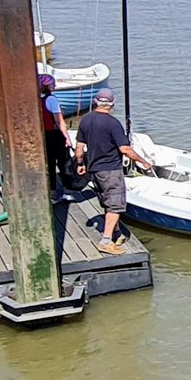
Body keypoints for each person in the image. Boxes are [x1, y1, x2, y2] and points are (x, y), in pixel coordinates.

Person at [74, 88, 153, 255]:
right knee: (115, 205)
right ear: (112, 104)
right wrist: (143, 161)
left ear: (96, 101)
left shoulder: (86, 120)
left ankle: (116, 233)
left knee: (107, 202)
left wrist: (80, 163)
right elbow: (125, 149)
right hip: (110, 170)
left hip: (94, 170)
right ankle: (106, 241)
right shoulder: (112, 123)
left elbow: (79, 147)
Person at [39, 74, 71, 203]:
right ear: (48, 86)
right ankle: (67, 190)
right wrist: (67, 138)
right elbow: (59, 121)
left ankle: (51, 192)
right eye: (53, 84)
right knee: (64, 163)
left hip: (44, 135)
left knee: (50, 164)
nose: (55, 86)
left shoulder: (37, 99)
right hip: (55, 135)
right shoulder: (51, 99)